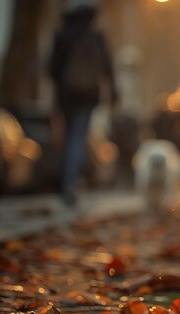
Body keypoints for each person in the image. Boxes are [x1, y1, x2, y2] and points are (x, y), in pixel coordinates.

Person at [49, 3, 116, 206]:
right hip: (88, 96)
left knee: (69, 138)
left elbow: (52, 69)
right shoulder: (96, 37)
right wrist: (113, 92)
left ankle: (67, 182)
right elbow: (107, 68)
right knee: (79, 137)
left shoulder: (62, 35)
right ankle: (72, 182)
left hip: (66, 96)